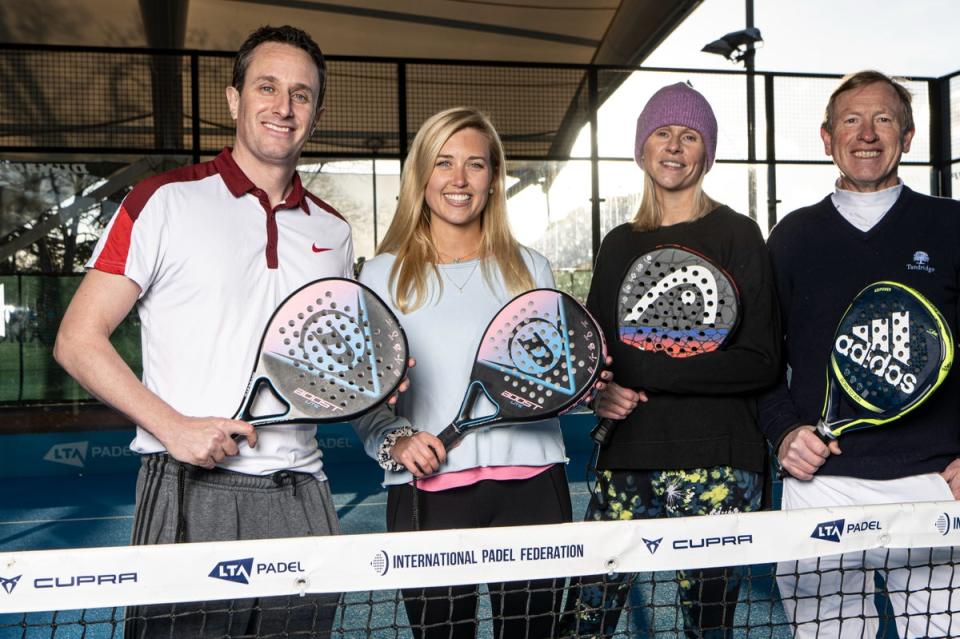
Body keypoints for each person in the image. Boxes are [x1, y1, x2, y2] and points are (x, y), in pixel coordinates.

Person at [55, 25, 351, 638]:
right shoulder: (161, 200)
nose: (283, 107)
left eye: (301, 94)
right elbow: (77, 338)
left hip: (304, 493)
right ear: (233, 98)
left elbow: (322, 362)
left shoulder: (335, 230)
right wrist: (174, 428)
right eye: (267, 87)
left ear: (316, 115)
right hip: (190, 488)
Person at [560, 83, 780, 639]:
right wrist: (599, 392)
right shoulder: (617, 244)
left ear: (706, 152)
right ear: (642, 149)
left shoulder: (739, 234)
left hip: (719, 463)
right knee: (582, 623)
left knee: (708, 629)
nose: (675, 147)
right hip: (626, 455)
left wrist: (646, 370)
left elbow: (760, 362)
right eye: (662, 134)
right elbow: (595, 355)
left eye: (690, 136)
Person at [353, 106, 572, 639]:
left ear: (493, 179)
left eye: (475, 165)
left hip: (533, 489)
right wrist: (398, 438)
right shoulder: (382, 275)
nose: (458, 179)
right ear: (421, 175)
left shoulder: (530, 268)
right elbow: (363, 400)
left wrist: (585, 383)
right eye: (443, 163)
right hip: (428, 494)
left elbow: (552, 383)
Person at [760, 70, 960, 638]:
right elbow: (761, 360)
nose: (866, 133)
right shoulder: (793, 236)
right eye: (851, 120)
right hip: (822, 485)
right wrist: (784, 432)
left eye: (883, 119)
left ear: (908, 134)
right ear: (827, 137)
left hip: (935, 485)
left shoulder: (953, 225)